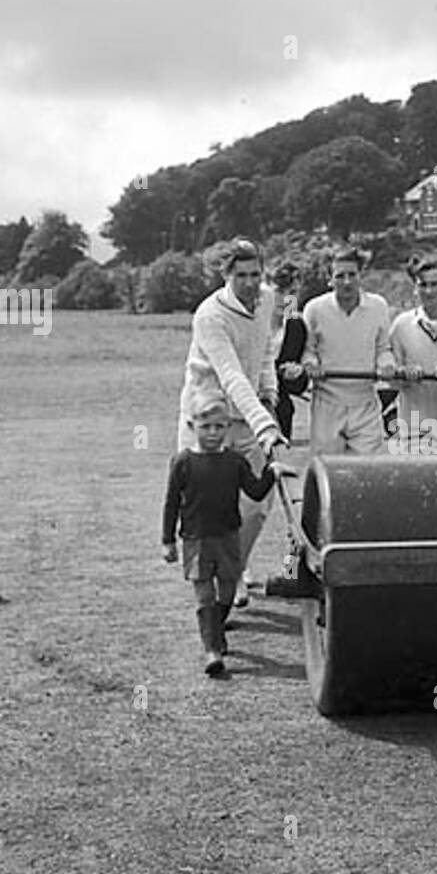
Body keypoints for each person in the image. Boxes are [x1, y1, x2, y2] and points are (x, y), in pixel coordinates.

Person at [177, 238, 286, 608]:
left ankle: (234, 569)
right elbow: (232, 376)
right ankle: (215, 589)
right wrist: (266, 425)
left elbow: (266, 351)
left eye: (256, 274)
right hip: (209, 418)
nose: (250, 283)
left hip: (251, 414)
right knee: (212, 509)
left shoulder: (268, 299)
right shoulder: (210, 315)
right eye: (241, 275)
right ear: (226, 275)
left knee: (256, 506)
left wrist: (270, 394)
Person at [162, 395, 276, 676]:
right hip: (195, 539)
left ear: (228, 427)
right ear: (193, 426)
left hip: (228, 538)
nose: (212, 433)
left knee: (225, 592)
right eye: (206, 427)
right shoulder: (183, 462)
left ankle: (217, 629)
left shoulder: (234, 462)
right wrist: (168, 541)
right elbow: (171, 503)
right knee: (204, 594)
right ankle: (211, 650)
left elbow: (256, 491)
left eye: (219, 427)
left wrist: (272, 472)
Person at [283, 247, 397, 456]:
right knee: (328, 472)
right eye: (340, 276)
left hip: (365, 403)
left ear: (360, 275)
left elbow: (383, 349)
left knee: (369, 473)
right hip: (327, 404)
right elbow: (308, 351)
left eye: (352, 275)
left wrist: (386, 365)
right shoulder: (314, 309)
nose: (346, 282)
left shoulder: (378, 306)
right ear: (330, 279)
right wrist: (311, 365)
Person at [387, 258, 437, 454]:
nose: (429, 291)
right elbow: (391, 379)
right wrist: (403, 375)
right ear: (415, 289)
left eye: (435, 284)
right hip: (415, 431)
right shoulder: (401, 325)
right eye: (422, 285)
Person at [269, 261, 309, 442]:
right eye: (279, 292)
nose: (286, 299)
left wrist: (296, 374)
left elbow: (297, 387)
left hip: (280, 409)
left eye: (292, 294)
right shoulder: (248, 323)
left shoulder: (296, 327)